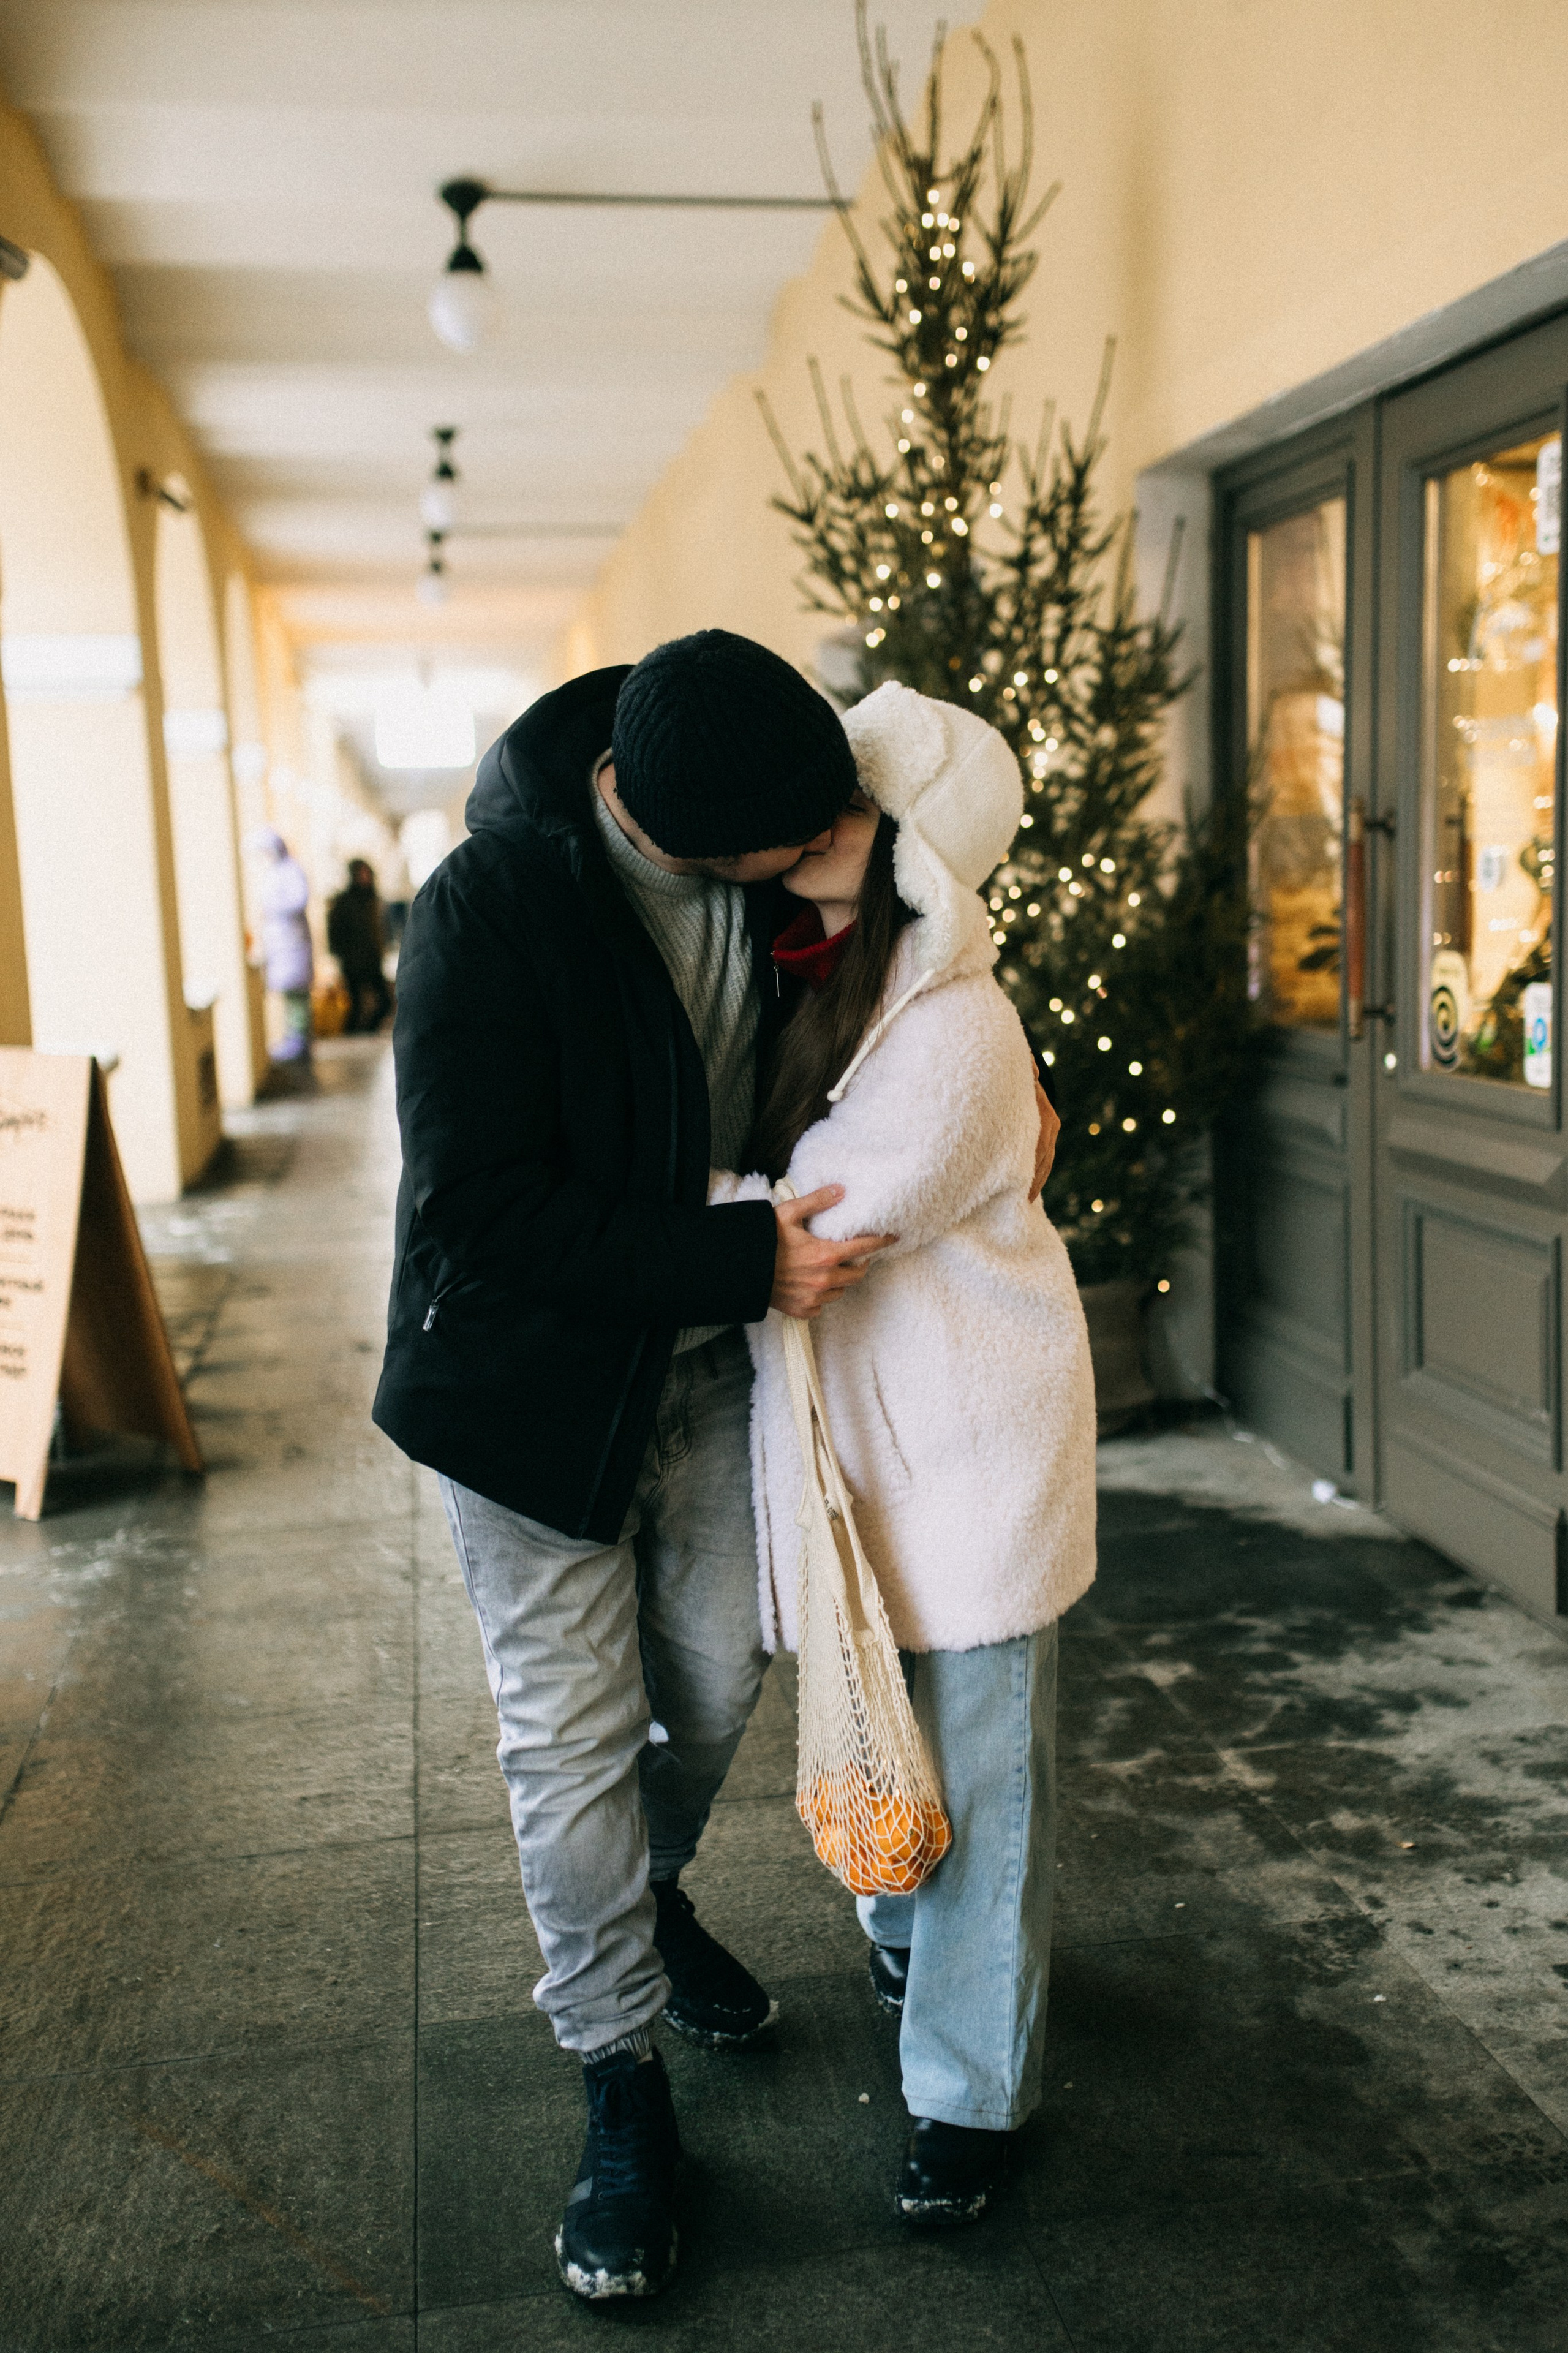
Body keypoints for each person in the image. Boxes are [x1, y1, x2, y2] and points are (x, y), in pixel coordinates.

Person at [373, 632, 1060, 2303]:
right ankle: (621, 2088)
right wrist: (739, 1264)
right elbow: (478, 1208)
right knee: (572, 1744)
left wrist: (1014, 1109)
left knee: (709, 1690)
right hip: (527, 1405)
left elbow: (907, 939)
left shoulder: (744, 785)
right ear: (689, 836)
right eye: (797, 841)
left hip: (705, 1384)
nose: (829, 843)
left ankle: (651, 1900)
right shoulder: (491, 910)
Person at [712, 679, 1096, 2230]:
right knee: (885, 1737)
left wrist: (697, 1196)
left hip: (974, 1454)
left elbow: (826, 1216)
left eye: (854, 803)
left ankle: (963, 2096)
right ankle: (901, 1928)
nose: (819, 820)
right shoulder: (816, 981)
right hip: (870, 1448)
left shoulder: (957, 1026)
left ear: (913, 849)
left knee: (985, 1789)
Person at [251, 829, 314, 1062]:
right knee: (289, 995)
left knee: (297, 994)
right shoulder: (274, 873)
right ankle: (293, 1037)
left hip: (293, 941)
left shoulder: (292, 871)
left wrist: (274, 910)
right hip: (281, 943)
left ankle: (300, 1040)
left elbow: (298, 900)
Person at [326, 858, 392, 1033]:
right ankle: (353, 1035)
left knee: (385, 1002)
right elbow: (336, 933)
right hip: (353, 962)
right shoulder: (344, 902)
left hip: (371, 960)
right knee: (356, 1005)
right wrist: (342, 956)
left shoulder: (373, 900)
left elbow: (379, 931)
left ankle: (364, 1032)